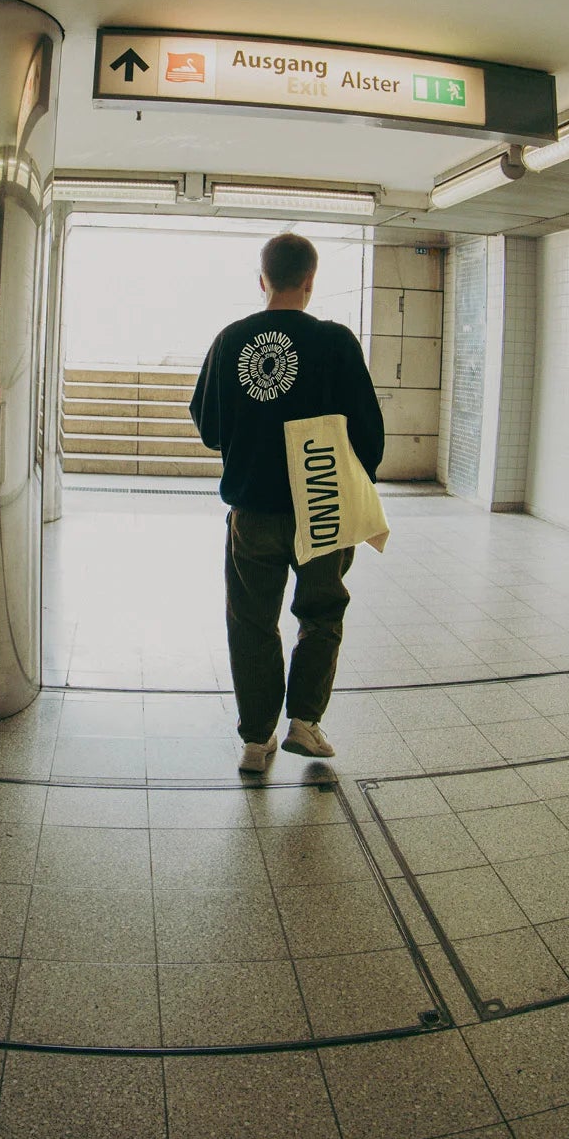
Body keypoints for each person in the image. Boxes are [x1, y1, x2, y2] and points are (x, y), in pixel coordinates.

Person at [190, 232, 384, 771]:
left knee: (251, 618)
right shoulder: (336, 342)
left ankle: (256, 739)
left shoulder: (231, 340)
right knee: (321, 612)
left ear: (262, 280)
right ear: (310, 281)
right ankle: (304, 721)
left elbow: (208, 426)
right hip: (323, 505)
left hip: (253, 506)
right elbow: (369, 432)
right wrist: (355, 483)